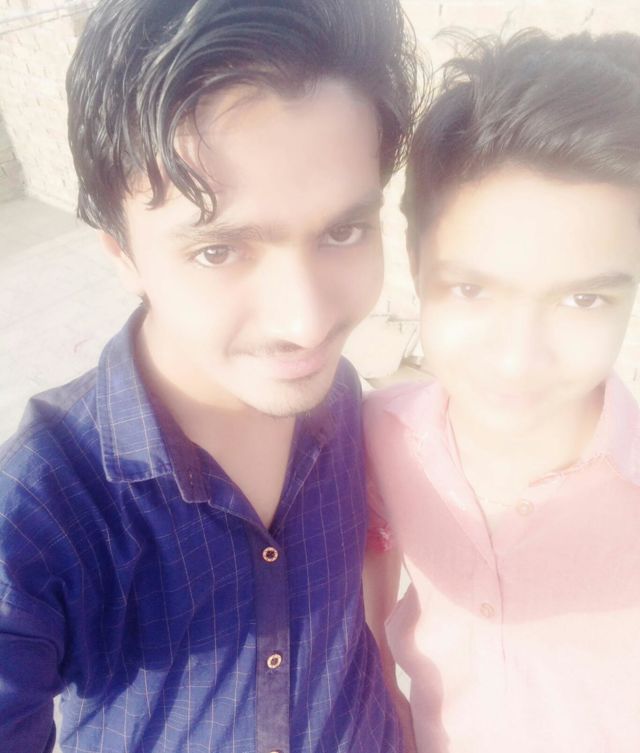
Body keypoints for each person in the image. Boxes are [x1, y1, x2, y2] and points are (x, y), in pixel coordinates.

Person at [0, 1, 421, 751]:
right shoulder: (40, 514)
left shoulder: (339, 394)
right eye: (218, 250)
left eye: (343, 230)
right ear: (124, 255)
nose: (306, 324)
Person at [364, 29, 640, 753]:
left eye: (583, 300)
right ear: (416, 265)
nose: (518, 358)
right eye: (471, 289)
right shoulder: (379, 437)